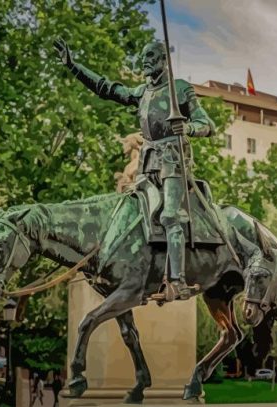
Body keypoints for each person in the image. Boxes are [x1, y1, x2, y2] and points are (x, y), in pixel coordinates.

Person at [53, 38, 216, 300]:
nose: (145, 61)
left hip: (174, 161)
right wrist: (73, 66)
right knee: (126, 212)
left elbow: (207, 124)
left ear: (165, 60)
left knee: (172, 216)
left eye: (151, 56)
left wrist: (188, 128)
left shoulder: (180, 89)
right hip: (147, 162)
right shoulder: (142, 92)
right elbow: (106, 88)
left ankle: (177, 282)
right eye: (143, 57)